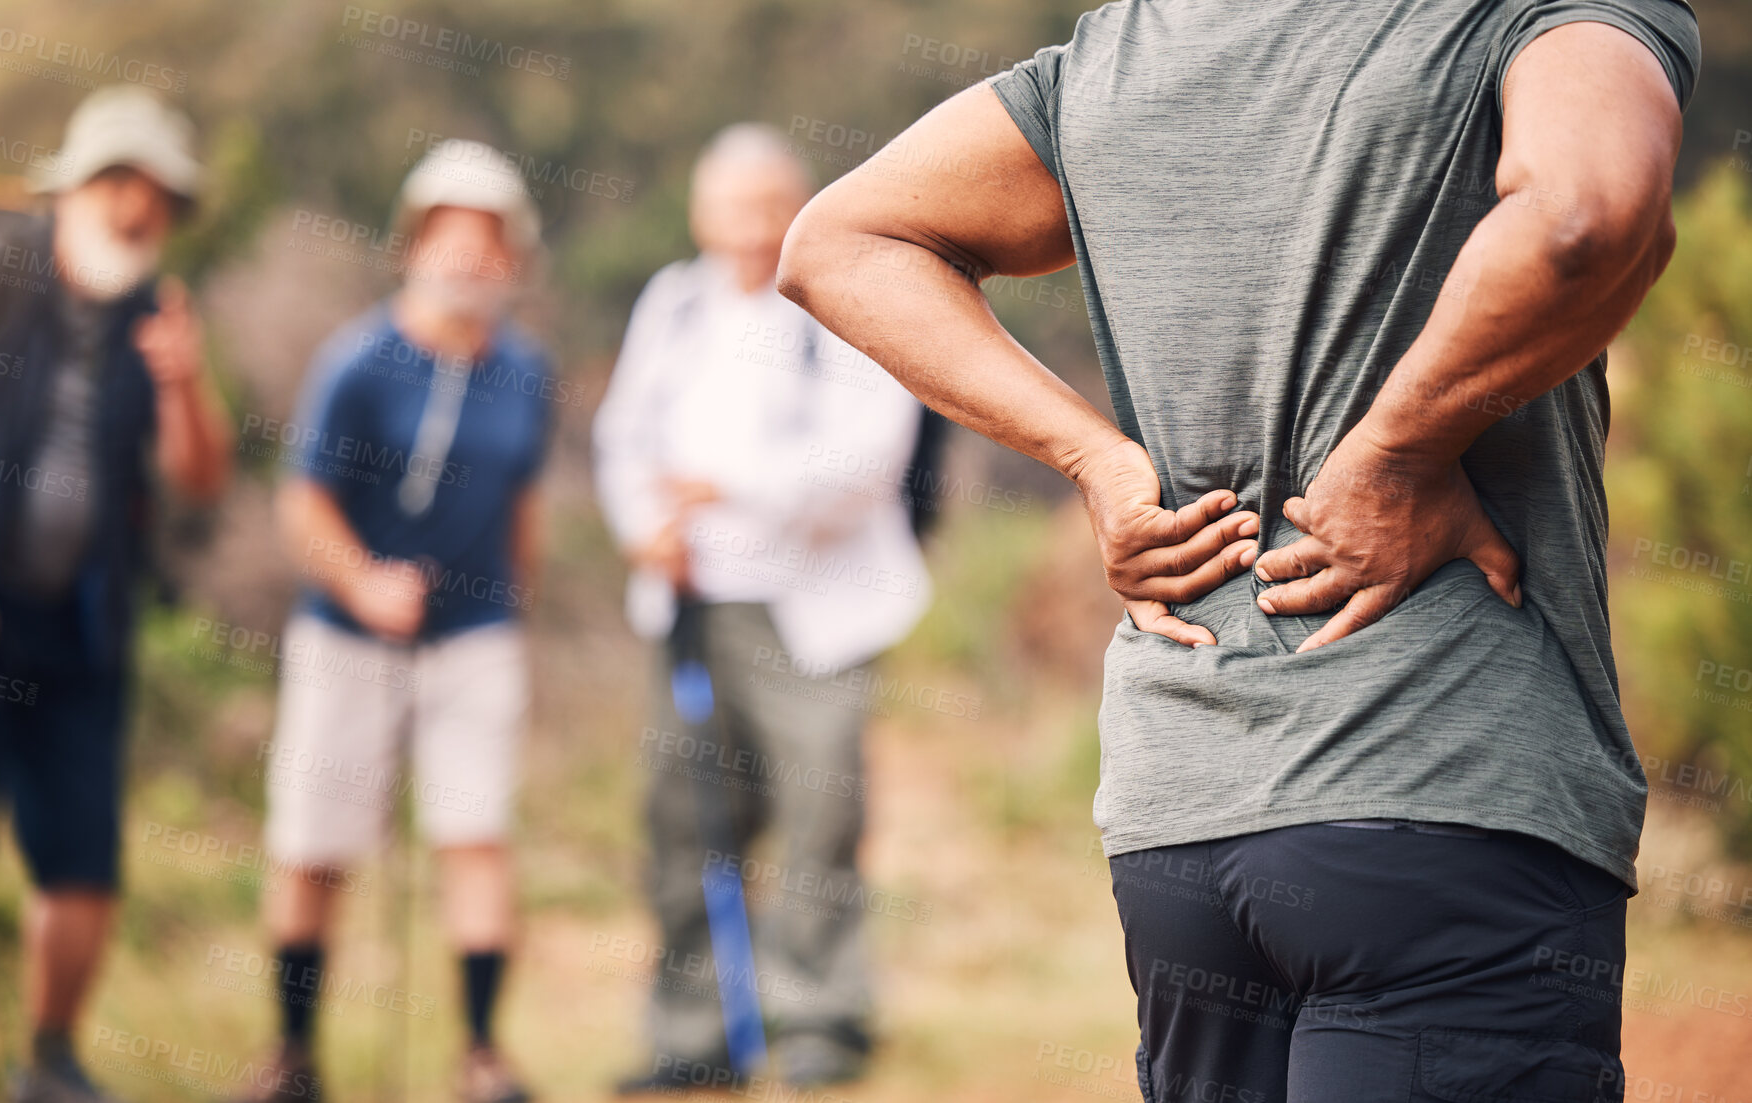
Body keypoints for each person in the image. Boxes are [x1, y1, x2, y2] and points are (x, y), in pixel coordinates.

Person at [777, 1, 1698, 1099]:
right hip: (1442, 777)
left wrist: (1089, 457)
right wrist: (1400, 452)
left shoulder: (1128, 48)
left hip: (1185, 834)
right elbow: (1587, 216)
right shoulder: (1524, 19)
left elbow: (839, 240)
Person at [594, 124, 932, 1093]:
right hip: (691, 605)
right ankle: (693, 1029)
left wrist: (723, 483)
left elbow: (869, 457)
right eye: (727, 205)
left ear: (797, 203)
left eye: (763, 203)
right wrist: (642, 523)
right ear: (700, 211)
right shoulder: (673, 302)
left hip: (812, 615)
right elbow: (624, 436)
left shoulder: (837, 298)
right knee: (685, 820)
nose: (745, 225)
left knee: (821, 813)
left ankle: (823, 1015)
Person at [234, 140, 553, 1103]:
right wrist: (365, 581)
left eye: (487, 242)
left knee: (475, 831)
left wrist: (513, 601)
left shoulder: (526, 373)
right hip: (348, 635)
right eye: (448, 237)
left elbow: (526, 506)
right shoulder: (359, 362)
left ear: (513, 259)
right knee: (316, 842)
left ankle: (482, 1055)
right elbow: (303, 504)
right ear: (412, 246)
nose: (467, 259)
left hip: (475, 637)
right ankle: (292, 1053)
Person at [0, 87, 233, 1103]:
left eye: (155, 193)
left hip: (82, 625)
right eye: (117, 182)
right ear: (71, 187)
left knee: (83, 857)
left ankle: (51, 1063)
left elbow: (202, 478)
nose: (135, 208)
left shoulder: (159, 315)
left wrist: (188, 384)